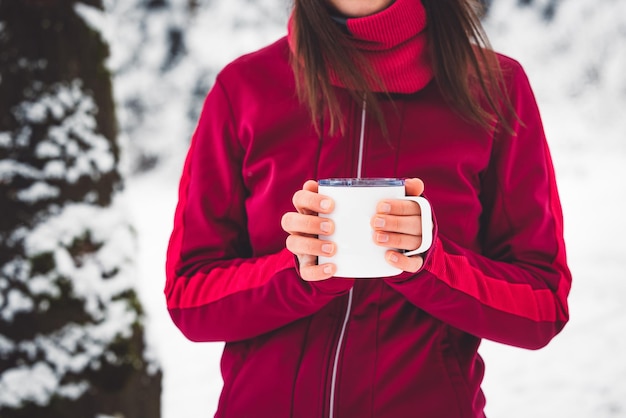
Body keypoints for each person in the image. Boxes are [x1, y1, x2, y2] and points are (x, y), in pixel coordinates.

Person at [165, 0, 572, 416]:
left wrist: (430, 264)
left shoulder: (495, 87)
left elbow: (541, 309)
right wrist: (296, 274)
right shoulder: (245, 87)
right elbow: (190, 301)